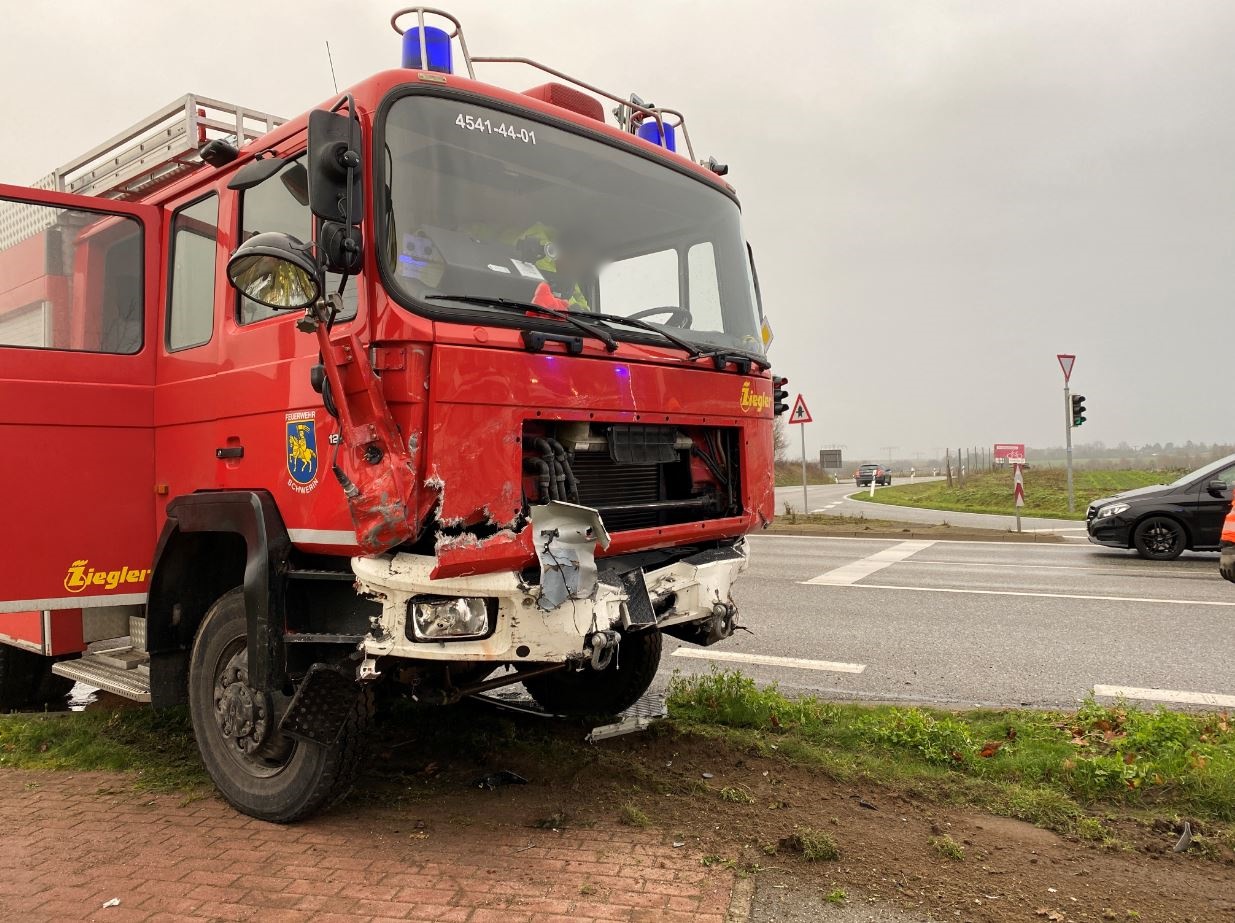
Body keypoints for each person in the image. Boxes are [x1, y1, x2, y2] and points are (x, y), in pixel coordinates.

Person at [511, 221, 601, 311]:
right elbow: (568, 307)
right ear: (564, 255)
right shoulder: (538, 261)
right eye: (581, 263)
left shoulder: (567, 279)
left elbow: (584, 310)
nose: (583, 270)